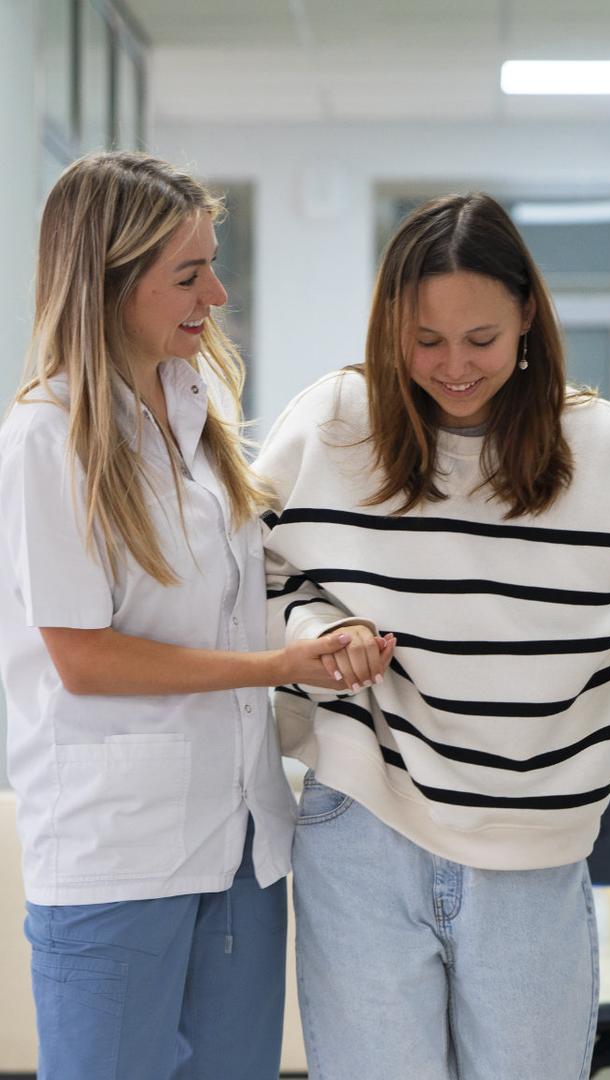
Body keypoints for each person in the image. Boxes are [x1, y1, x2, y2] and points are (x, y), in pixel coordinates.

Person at [256, 192, 610, 1080]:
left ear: (528, 315)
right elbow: (251, 570)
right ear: (388, 328)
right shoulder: (333, 427)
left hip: (534, 845)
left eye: (481, 338)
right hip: (364, 824)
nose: (454, 367)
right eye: (426, 341)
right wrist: (320, 628)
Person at [0, 151, 352, 1079]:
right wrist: (275, 673)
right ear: (110, 281)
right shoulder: (48, 437)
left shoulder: (200, 408)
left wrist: (317, 632)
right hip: (117, 848)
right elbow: (86, 658)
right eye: (189, 274)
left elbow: (235, 602)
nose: (218, 293)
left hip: (241, 842)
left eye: (213, 265)